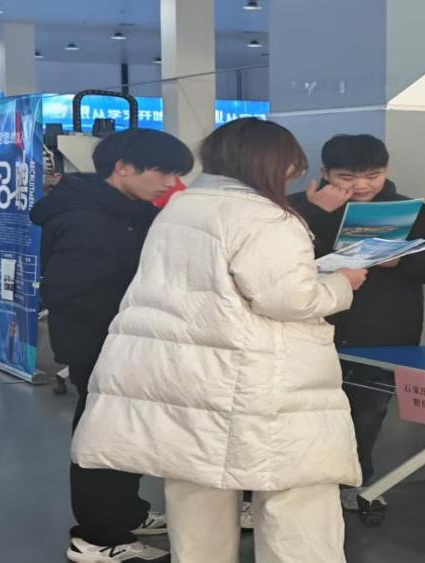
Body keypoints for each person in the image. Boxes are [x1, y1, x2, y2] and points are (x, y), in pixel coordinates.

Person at [70, 118, 369, 563]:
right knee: (296, 493)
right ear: (269, 163)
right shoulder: (267, 217)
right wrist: (342, 283)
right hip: (261, 376)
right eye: (291, 165)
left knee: (197, 489)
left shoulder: (182, 206)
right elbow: (288, 299)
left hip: (187, 373)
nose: (294, 174)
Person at [30, 128, 194, 563]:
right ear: (124, 168)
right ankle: (98, 537)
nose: (170, 183)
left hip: (122, 341)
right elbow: (70, 292)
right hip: (103, 346)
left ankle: (125, 513)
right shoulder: (89, 219)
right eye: (163, 173)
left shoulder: (124, 210)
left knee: (128, 434)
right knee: (105, 438)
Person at [288, 134, 425, 508]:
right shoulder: (294, 209)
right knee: (298, 412)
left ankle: (354, 482)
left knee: (368, 412)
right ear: (324, 172)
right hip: (307, 328)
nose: (360, 186)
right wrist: (314, 213)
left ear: (386, 169)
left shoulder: (414, 213)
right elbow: (271, 258)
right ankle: (291, 488)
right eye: (346, 177)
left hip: (384, 330)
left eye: (372, 176)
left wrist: (402, 261)